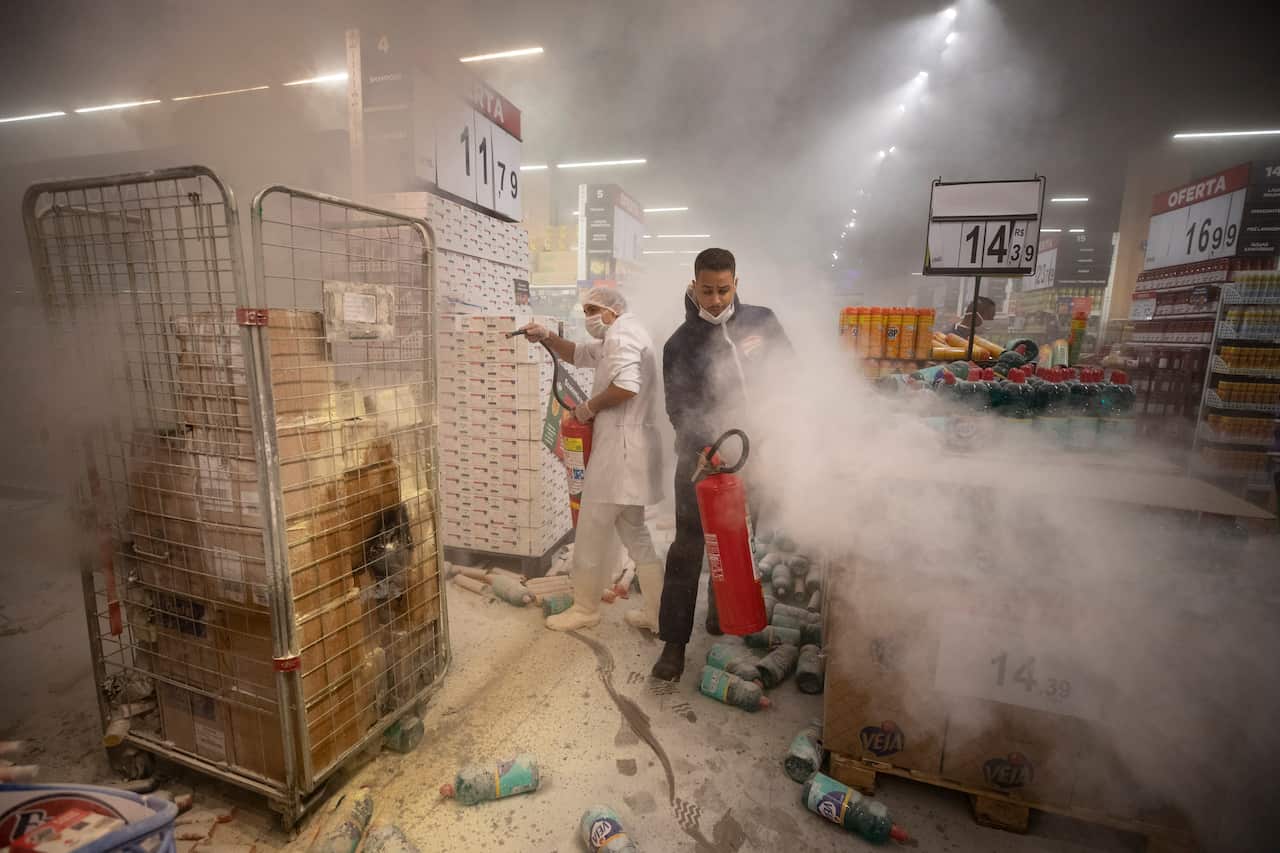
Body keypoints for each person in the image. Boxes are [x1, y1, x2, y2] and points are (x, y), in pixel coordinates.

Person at [652, 248, 792, 681]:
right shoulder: (680, 342)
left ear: (736, 283)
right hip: (700, 460)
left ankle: (719, 614)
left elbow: (789, 373)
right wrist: (702, 448)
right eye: (707, 291)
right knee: (688, 548)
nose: (715, 300)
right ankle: (673, 645)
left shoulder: (762, 322)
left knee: (734, 541)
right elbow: (678, 406)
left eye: (723, 290)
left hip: (752, 455)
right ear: (695, 286)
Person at [520, 287, 665, 632]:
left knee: (588, 532)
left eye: (593, 310)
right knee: (637, 535)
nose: (588, 318)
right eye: (584, 311)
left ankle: (585, 609)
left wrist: (587, 409)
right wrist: (547, 337)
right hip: (631, 452)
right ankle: (658, 615)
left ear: (613, 310)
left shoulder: (622, 336)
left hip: (619, 454)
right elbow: (580, 354)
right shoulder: (626, 332)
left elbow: (626, 387)